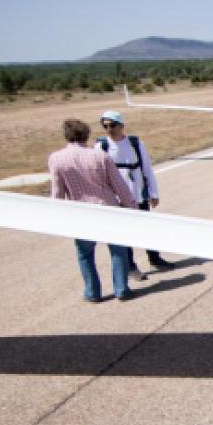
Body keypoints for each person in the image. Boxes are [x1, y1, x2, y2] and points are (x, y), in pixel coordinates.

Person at [48, 118, 140, 302]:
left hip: (81, 213)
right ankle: (121, 288)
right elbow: (119, 185)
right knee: (118, 250)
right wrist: (132, 206)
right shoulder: (100, 156)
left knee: (85, 254)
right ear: (86, 135)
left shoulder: (56, 158)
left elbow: (57, 191)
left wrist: (57, 215)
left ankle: (92, 292)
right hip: (107, 208)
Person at [97, 110, 174, 281]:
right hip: (116, 198)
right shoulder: (101, 146)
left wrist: (153, 193)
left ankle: (154, 258)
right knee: (125, 232)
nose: (109, 129)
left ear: (121, 125)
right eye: (105, 126)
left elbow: (147, 168)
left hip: (137, 194)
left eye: (112, 125)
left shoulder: (135, 143)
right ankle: (131, 266)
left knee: (146, 228)